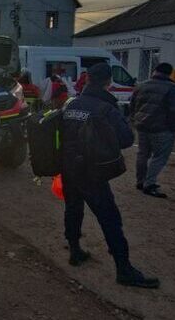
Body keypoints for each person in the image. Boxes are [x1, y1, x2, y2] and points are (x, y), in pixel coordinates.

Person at [62, 62, 159, 288]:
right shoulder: (106, 108)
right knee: (110, 219)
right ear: (108, 82)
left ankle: (75, 251)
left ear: (87, 80)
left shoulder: (71, 104)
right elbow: (126, 139)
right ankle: (123, 269)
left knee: (73, 209)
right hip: (92, 172)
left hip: (69, 169)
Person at [130, 62, 175, 198]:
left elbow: (133, 105)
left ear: (154, 71)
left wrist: (135, 120)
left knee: (143, 154)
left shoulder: (141, 85)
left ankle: (140, 181)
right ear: (169, 73)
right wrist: (174, 127)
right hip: (162, 128)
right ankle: (150, 183)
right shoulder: (173, 88)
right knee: (160, 156)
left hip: (142, 126)